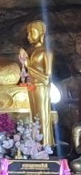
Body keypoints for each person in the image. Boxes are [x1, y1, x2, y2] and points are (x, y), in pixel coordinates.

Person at [23, 20, 54, 149]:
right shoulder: (31, 51)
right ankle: (34, 144)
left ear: (41, 33)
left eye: (32, 32)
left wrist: (28, 66)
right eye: (28, 33)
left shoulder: (46, 52)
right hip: (31, 87)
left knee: (42, 115)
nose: (29, 36)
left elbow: (47, 77)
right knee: (33, 115)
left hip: (41, 87)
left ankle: (45, 144)